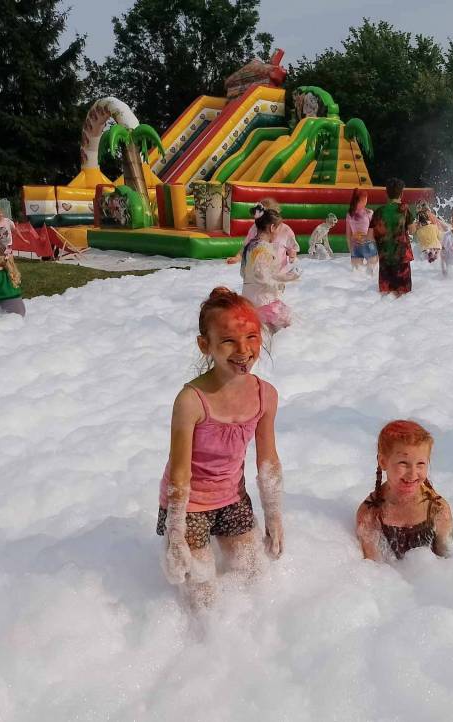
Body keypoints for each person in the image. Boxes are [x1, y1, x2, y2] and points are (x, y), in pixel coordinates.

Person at [158, 286, 284, 610]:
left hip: (231, 497)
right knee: (204, 596)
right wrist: (175, 531)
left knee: (254, 573)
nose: (243, 350)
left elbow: (267, 461)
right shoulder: (191, 401)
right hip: (189, 505)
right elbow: (179, 471)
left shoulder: (265, 395)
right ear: (205, 346)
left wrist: (273, 516)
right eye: (228, 340)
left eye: (252, 337)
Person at [355, 420, 453, 561]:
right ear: (383, 462)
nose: (413, 474)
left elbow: (449, 560)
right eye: (403, 463)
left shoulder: (437, 509)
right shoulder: (370, 514)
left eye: (420, 464)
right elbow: (373, 570)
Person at [240, 209, 301, 333]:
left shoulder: (250, 246)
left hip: (248, 301)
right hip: (263, 304)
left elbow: (244, 273)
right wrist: (280, 284)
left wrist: (288, 277)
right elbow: (264, 279)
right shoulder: (265, 249)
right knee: (289, 326)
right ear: (272, 227)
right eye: (280, 228)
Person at [226, 199, 298, 270]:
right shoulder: (255, 228)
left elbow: (292, 249)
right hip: (261, 270)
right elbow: (246, 246)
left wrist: (292, 256)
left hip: (279, 271)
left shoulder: (285, 230)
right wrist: (238, 257)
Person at [375, 178, 417, 296]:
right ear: (401, 193)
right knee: (403, 296)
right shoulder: (404, 210)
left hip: (385, 259)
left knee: (385, 295)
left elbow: (369, 236)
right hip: (401, 258)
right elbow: (412, 230)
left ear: (386, 193)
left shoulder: (378, 212)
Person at [345, 189, 377, 272]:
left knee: (357, 276)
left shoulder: (349, 214)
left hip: (355, 246)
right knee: (371, 273)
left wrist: (351, 250)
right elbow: (374, 232)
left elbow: (348, 235)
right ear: (363, 200)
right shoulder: (369, 212)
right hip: (368, 245)